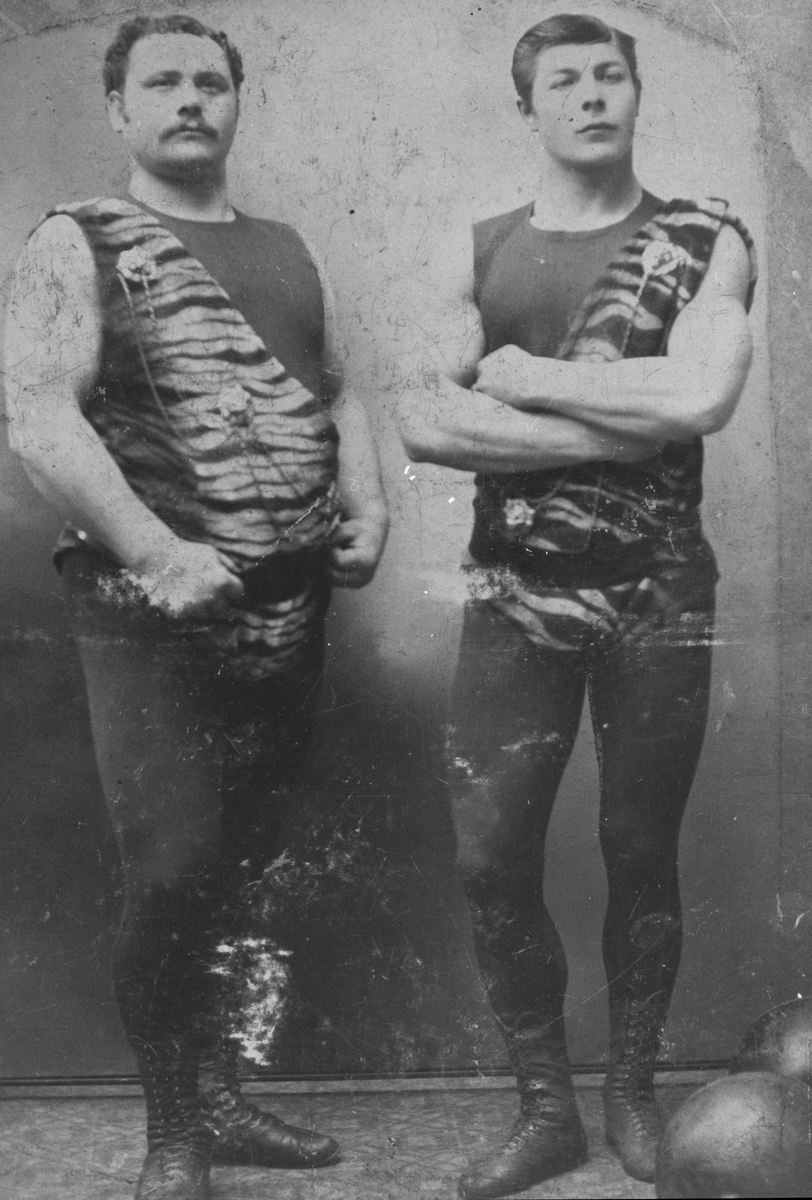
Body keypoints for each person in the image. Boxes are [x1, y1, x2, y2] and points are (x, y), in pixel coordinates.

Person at [4, 14, 388, 1200]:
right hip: (145, 607)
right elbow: (40, 416)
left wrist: (371, 503)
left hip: (288, 606)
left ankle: (220, 1097)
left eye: (210, 82)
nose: (188, 100)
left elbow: (337, 394)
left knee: (243, 862)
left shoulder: (284, 248)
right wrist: (156, 548)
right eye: (161, 82)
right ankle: (174, 1132)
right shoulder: (76, 239)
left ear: (235, 103)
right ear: (118, 107)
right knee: (173, 867)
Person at [397, 13, 755, 1200]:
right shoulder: (479, 245)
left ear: (635, 94)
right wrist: (615, 419)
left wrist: (530, 382)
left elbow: (700, 398)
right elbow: (424, 418)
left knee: (639, 848)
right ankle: (544, 1113)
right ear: (529, 107)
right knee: (492, 858)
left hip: (659, 594)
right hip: (513, 597)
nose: (592, 95)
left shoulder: (709, 238)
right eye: (565, 81)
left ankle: (632, 1098)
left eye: (610, 74)